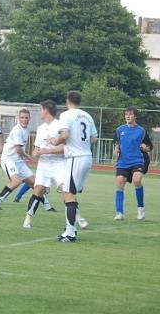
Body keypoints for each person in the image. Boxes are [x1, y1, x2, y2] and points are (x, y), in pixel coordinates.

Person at [23, 100, 88, 228]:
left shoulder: (60, 125)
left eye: (41, 109)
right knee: (38, 190)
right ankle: (28, 218)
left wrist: (48, 151)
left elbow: (65, 147)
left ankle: (78, 218)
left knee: (67, 191)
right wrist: (35, 153)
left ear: (46, 110)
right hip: (44, 166)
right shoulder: (40, 128)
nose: (40, 112)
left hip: (59, 164)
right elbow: (36, 148)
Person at [51, 91, 97, 242]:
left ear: (67, 101)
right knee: (69, 192)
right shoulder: (87, 116)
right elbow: (94, 138)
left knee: (69, 194)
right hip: (87, 157)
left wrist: (55, 141)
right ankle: (69, 229)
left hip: (75, 158)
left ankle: (70, 233)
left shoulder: (66, 115)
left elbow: (64, 135)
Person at [113, 106, 152, 221]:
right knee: (119, 183)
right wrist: (116, 150)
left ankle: (141, 209)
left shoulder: (141, 131)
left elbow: (149, 147)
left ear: (135, 116)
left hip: (137, 161)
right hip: (123, 162)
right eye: (126, 115)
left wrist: (146, 148)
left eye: (130, 114)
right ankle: (119, 213)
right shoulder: (119, 130)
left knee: (137, 180)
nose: (127, 116)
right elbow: (116, 145)